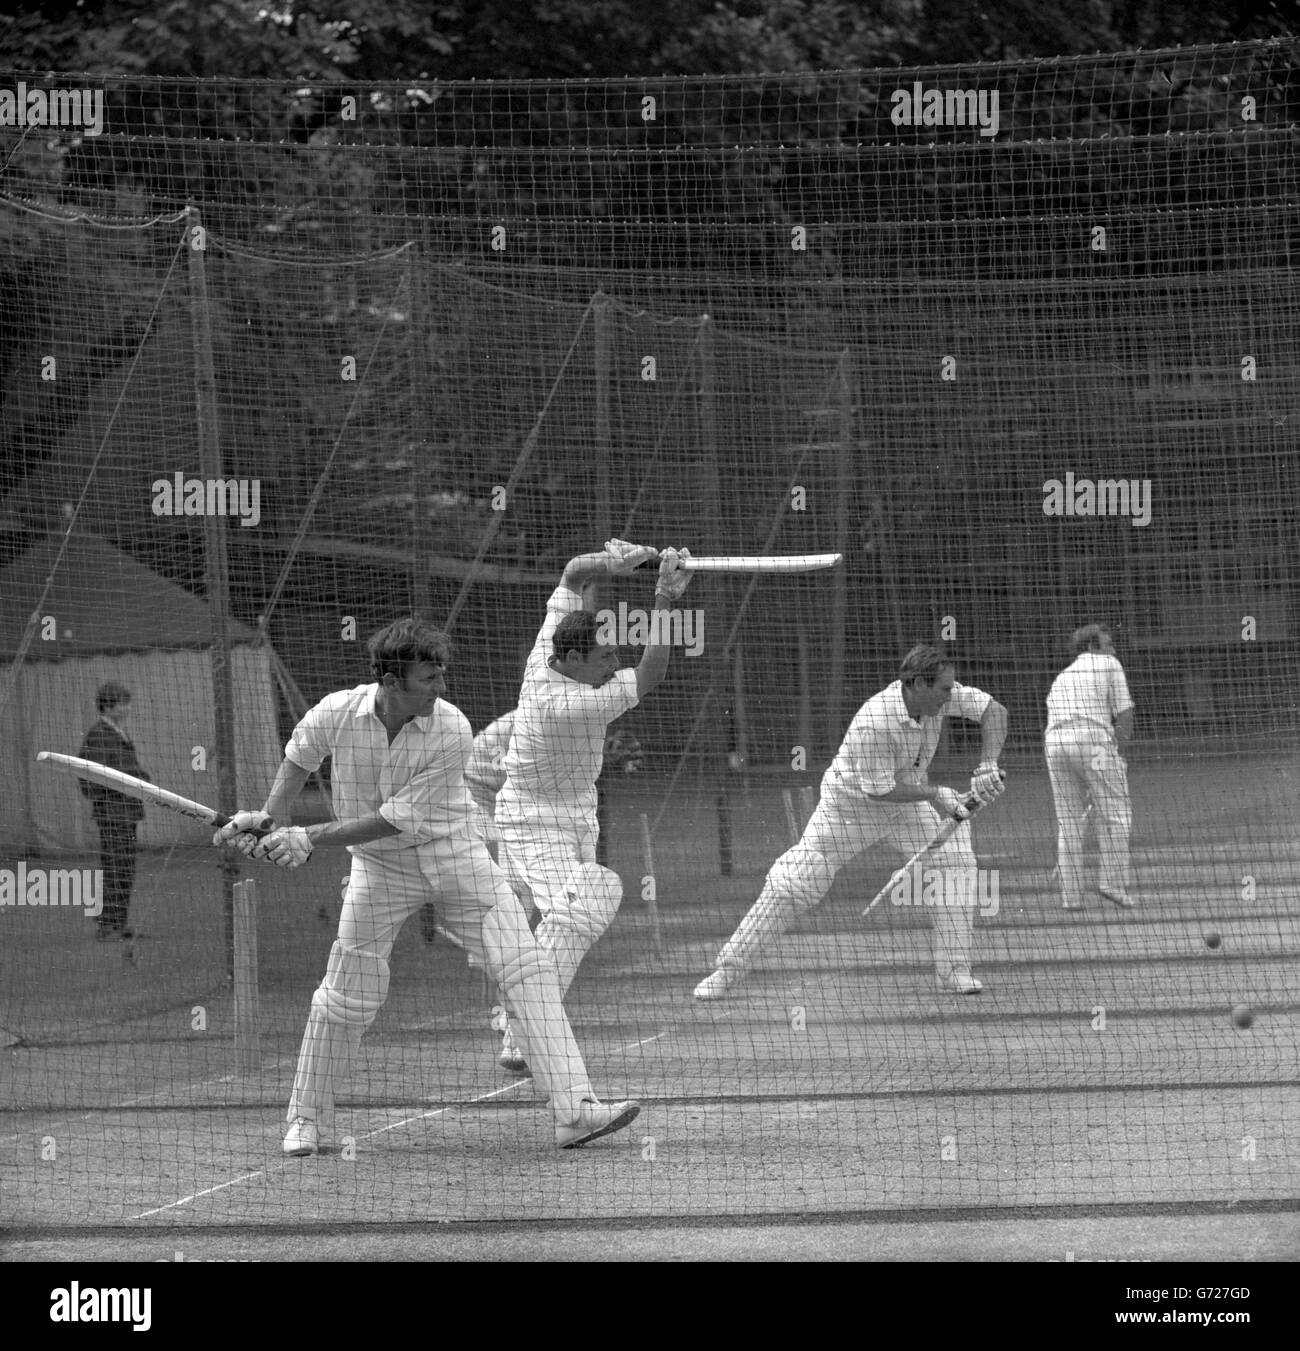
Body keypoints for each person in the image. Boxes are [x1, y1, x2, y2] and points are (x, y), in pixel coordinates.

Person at [213, 617, 640, 1155]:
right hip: (379, 871)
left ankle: (575, 1112)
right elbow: (299, 759)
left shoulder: (451, 728)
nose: (441, 688)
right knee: (347, 996)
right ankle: (308, 1121)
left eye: (442, 675)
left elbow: (395, 818)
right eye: (428, 678)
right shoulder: (337, 711)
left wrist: (306, 836)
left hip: (457, 859)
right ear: (391, 681)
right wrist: (272, 824)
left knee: (526, 970)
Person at [694, 644, 1008, 1000]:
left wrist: (988, 764)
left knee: (955, 861)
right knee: (799, 877)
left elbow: (993, 710)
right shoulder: (876, 721)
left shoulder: (937, 699)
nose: (950, 696)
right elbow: (880, 790)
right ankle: (727, 970)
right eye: (944, 689)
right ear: (919, 684)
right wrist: (936, 794)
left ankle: (955, 971)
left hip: (906, 803)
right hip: (849, 810)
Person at [492, 540, 692, 1072]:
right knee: (583, 903)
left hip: (576, 812)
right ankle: (527, 1030)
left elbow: (571, 569)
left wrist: (613, 562)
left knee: (550, 919)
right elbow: (651, 674)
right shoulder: (566, 702)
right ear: (575, 659)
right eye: (606, 657)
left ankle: (516, 1023)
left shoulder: (552, 648)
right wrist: (665, 596)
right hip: (532, 822)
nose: (614, 663)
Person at [1045, 623, 1135, 911]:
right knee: (1116, 814)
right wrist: (1116, 751)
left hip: (1055, 745)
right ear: (1092, 647)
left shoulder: (1061, 677)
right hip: (1094, 742)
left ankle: (1071, 898)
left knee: (1068, 822)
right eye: (1108, 644)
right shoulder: (1109, 663)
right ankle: (1112, 883)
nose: (1113, 649)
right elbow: (1124, 713)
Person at [78, 681, 150, 941]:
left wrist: (141, 779)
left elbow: (127, 769)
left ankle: (119, 923)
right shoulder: (99, 735)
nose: (127, 708)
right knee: (114, 868)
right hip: (112, 814)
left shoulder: (119, 733)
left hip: (127, 813)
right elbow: (93, 776)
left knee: (125, 868)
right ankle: (107, 926)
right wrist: (134, 780)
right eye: (123, 703)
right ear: (108, 706)